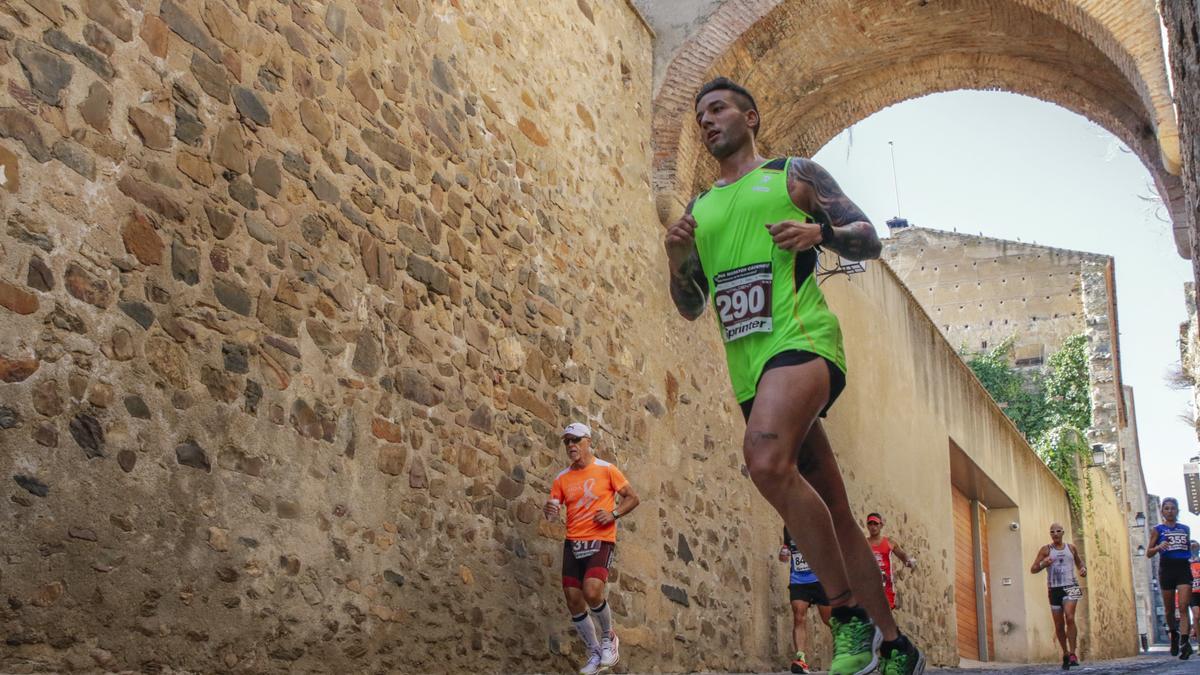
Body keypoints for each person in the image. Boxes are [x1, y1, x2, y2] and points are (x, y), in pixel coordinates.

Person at [664, 76, 925, 675]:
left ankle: (847, 615)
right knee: (833, 506)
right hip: (750, 368)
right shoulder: (699, 209)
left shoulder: (793, 175)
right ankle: (895, 644)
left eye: (718, 108)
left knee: (763, 459)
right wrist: (678, 257)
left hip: (802, 342)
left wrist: (821, 233)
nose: (706, 121)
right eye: (699, 114)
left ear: (750, 117)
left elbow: (869, 240)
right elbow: (691, 303)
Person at [544, 422, 641, 675]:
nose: (571, 446)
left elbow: (633, 497)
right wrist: (550, 511)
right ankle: (595, 651)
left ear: (588, 441)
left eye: (575, 440)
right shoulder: (561, 478)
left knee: (592, 591)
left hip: (601, 540)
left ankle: (609, 639)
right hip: (573, 542)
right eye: (567, 442)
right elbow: (552, 511)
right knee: (574, 600)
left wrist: (613, 514)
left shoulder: (607, 470)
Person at [1029, 523, 1087, 669]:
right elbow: (1033, 569)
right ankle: (1065, 652)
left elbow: (1080, 563)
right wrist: (1044, 563)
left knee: (1070, 617)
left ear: (1063, 532)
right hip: (1054, 589)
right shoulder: (1046, 550)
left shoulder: (1071, 548)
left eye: (1058, 531)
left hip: (1071, 586)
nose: (1055, 533)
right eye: (1052, 532)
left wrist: (1083, 570)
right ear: (1050, 534)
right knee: (1059, 625)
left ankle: (1073, 653)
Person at [780, 526, 833, 673]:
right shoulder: (789, 527)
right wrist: (783, 553)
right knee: (798, 616)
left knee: (829, 620)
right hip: (798, 581)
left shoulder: (816, 521)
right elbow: (786, 547)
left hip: (820, 580)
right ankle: (800, 659)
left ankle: (846, 651)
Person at [1147, 497, 1192, 660]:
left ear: (1177, 510)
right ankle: (1174, 634)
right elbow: (1148, 553)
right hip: (1166, 569)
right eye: (1166, 508)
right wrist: (1159, 546)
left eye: (1173, 508)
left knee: (1183, 606)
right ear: (1162, 511)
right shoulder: (1157, 530)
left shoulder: (1185, 529)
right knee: (1169, 609)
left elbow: (1186, 548)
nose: (1170, 511)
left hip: (1183, 568)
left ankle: (1185, 643)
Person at [865, 513, 916, 610]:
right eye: (870, 524)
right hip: (869, 587)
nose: (873, 527)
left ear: (881, 525)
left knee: (885, 616)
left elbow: (902, 555)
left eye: (876, 524)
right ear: (867, 526)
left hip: (886, 588)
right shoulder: (863, 543)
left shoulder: (889, 542)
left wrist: (909, 561)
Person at [1189, 540, 1200, 642]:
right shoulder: (1184, 563)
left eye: (1195, 548)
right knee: (1196, 616)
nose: (1193, 550)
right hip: (1192, 593)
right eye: (1191, 548)